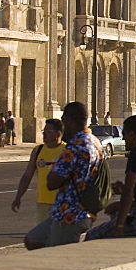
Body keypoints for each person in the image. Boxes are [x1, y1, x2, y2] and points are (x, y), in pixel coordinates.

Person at [23, 102, 104, 249]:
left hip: (69, 214)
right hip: (80, 211)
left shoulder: (73, 147)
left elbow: (52, 182)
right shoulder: (95, 143)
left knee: (57, 255)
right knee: (32, 239)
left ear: (69, 120)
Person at [11, 119, 66, 222]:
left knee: (58, 236)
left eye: (48, 132)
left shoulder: (67, 151)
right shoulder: (38, 151)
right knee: (43, 236)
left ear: (58, 134)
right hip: (43, 203)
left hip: (63, 204)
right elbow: (27, 176)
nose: (44, 135)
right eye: (43, 132)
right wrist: (18, 197)